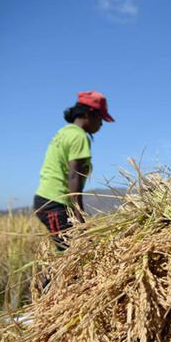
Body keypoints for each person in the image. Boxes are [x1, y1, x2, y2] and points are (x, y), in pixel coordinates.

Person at [34, 90, 114, 249]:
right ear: (88, 114)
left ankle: (52, 274)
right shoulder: (79, 137)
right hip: (55, 203)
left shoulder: (64, 132)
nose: (101, 124)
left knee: (68, 251)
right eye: (100, 118)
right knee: (71, 252)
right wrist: (79, 216)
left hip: (49, 201)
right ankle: (49, 275)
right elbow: (74, 177)